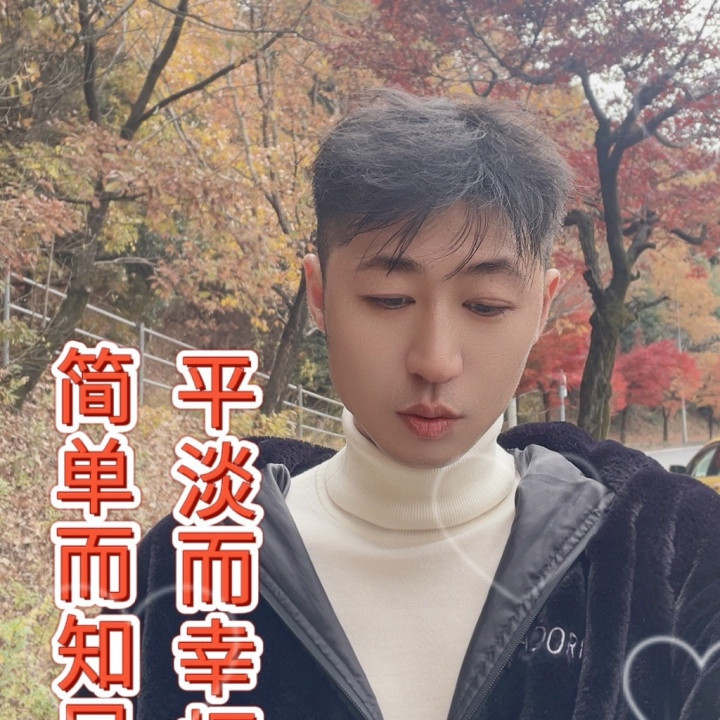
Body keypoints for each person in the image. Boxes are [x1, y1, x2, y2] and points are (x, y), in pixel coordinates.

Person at [131, 90, 720, 719]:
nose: (436, 361)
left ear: (542, 307)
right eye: (389, 299)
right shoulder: (180, 572)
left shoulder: (673, 555)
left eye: (486, 305)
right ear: (320, 296)